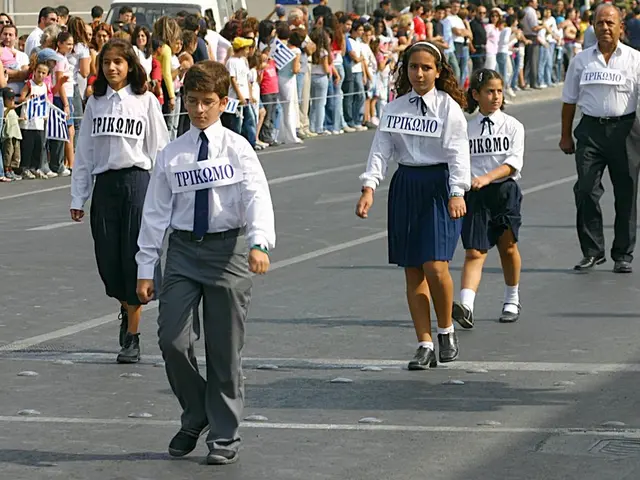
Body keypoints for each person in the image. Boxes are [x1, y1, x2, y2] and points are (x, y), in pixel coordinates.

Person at [135, 61, 275, 465]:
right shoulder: (172, 154)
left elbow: (255, 197)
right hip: (182, 251)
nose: (199, 110)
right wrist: (146, 268)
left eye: (207, 102)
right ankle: (197, 410)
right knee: (172, 341)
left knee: (224, 347)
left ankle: (224, 434)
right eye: (192, 101)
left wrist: (259, 242)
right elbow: (155, 213)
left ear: (223, 102)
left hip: (227, 251)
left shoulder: (238, 148)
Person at [355, 41, 470, 370]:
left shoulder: (448, 107)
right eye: (413, 67)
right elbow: (381, 149)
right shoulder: (395, 108)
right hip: (406, 185)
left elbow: (458, 153)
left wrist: (457, 191)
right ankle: (424, 343)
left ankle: (446, 329)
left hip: (439, 186)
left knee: (436, 266)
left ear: (438, 71)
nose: (419, 74)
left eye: (425, 68)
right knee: (413, 270)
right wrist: (369, 187)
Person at [70, 39, 169, 363]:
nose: (112, 68)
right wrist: (78, 196)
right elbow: (84, 154)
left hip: (137, 183)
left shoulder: (145, 101)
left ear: (130, 66)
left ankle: (132, 336)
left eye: (118, 62)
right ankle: (126, 309)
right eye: (107, 62)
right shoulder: (95, 104)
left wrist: (164, 196)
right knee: (109, 261)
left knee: (134, 259)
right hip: (106, 187)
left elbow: (160, 150)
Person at [559, 4, 640, 273]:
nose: (605, 28)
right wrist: (565, 136)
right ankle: (592, 251)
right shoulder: (581, 61)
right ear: (593, 26)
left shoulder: (634, 59)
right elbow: (569, 102)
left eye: (610, 23)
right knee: (585, 190)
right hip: (590, 131)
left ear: (620, 27)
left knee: (626, 193)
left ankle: (623, 255)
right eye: (600, 23)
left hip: (625, 131)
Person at [453, 69, 525, 329]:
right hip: (476, 196)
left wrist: (487, 177)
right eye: (489, 92)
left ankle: (512, 298)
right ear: (476, 95)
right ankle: (467, 306)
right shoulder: (465, 129)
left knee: (507, 248)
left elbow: (512, 164)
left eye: (499, 91)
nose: (495, 97)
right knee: (474, 251)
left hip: (504, 191)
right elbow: (458, 161)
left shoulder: (513, 126)